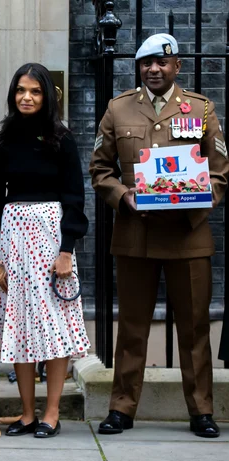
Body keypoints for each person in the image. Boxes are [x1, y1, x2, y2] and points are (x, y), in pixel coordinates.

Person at [89, 33, 228, 438]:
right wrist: (122, 197)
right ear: (139, 67)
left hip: (188, 235)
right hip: (136, 234)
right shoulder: (118, 109)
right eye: (147, 62)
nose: (154, 69)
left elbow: (219, 170)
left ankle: (201, 410)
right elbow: (100, 170)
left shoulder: (200, 109)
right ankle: (122, 409)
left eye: (162, 63)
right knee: (131, 326)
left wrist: (196, 203)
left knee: (194, 326)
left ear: (176, 66)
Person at [0, 62, 90, 439]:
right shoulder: (3, 142)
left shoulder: (62, 138)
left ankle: (52, 411)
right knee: (19, 325)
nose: (26, 97)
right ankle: (27, 413)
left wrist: (66, 250)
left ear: (46, 96)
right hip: (12, 239)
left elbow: (75, 196)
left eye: (35, 91)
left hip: (51, 238)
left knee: (54, 326)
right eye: (20, 91)